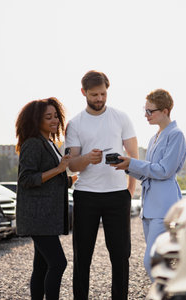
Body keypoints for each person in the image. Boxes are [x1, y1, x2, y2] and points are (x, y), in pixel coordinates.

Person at [65, 70, 138, 299]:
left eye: (103, 94)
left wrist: (129, 191)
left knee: (120, 255)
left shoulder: (121, 118)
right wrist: (87, 158)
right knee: (82, 256)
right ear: (83, 92)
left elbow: (134, 157)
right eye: (94, 94)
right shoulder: (75, 124)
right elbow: (72, 166)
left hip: (117, 195)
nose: (99, 99)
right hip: (86, 195)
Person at [111, 89, 186, 281]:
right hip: (150, 207)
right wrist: (126, 166)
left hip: (164, 206)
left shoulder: (176, 135)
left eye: (150, 111)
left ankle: (166, 294)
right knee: (159, 261)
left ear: (165, 110)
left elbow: (164, 171)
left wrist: (133, 163)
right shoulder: (154, 138)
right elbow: (149, 173)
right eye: (144, 111)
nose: (146, 115)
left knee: (151, 261)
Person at [15, 97, 74, 300]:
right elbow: (26, 178)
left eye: (56, 116)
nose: (54, 120)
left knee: (41, 266)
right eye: (48, 117)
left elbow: (53, 179)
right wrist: (59, 169)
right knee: (58, 263)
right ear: (36, 120)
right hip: (37, 218)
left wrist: (73, 178)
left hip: (46, 218)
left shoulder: (48, 142)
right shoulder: (33, 143)